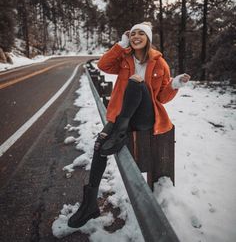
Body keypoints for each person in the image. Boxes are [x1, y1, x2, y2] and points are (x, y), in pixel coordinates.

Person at [68, 22, 190, 228]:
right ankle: (89, 204)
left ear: (148, 38)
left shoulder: (160, 63)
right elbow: (103, 65)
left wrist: (175, 84)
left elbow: (161, 97)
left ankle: (120, 130)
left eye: (141, 33)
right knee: (100, 145)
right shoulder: (124, 58)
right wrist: (121, 44)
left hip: (145, 117)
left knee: (136, 82)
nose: (136, 36)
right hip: (123, 115)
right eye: (133, 34)